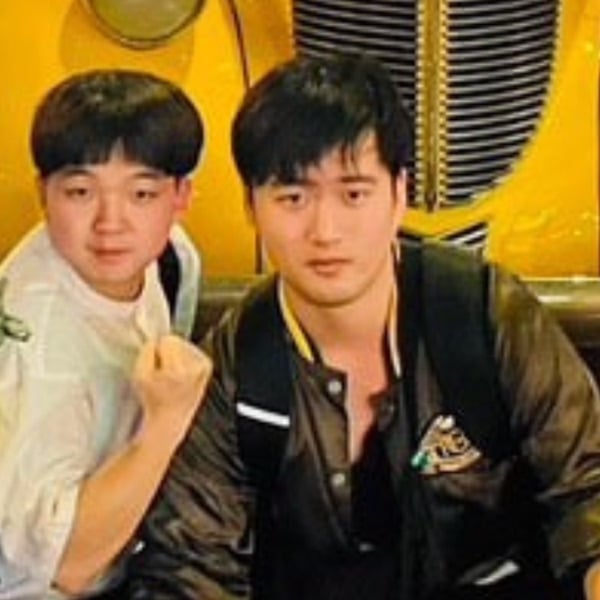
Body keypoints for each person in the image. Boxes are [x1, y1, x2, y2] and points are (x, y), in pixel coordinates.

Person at [127, 53, 600, 599]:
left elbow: (587, 486)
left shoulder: (482, 313)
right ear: (252, 207)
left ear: (399, 195)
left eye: (354, 194)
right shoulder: (236, 369)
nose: (325, 231)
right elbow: (191, 565)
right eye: (293, 197)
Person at [0, 70, 212, 598]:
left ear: (181, 196)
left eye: (141, 193)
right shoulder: (41, 350)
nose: (110, 222)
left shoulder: (172, 257)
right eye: (80, 192)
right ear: (43, 194)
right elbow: (67, 565)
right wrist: (166, 423)